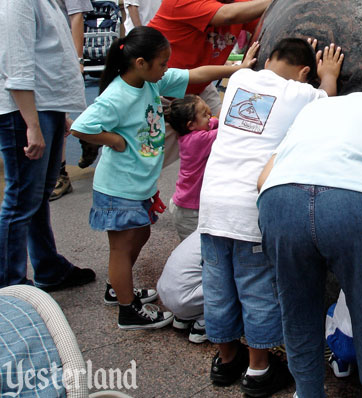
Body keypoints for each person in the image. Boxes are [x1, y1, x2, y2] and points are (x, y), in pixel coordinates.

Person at [257, 68, 362, 398]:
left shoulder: (315, 108)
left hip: (279, 199)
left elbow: (263, 179)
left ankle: (307, 392)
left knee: (297, 315)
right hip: (358, 203)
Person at [70, 26, 255, 330]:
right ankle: (127, 310)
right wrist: (113, 141)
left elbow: (196, 74)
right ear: (140, 63)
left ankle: (119, 288)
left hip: (139, 184)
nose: (167, 69)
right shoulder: (118, 94)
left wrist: (239, 68)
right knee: (121, 245)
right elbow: (80, 126)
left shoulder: (150, 82)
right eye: (163, 63)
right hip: (119, 186)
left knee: (140, 235)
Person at [199, 38, 344, 397]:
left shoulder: (238, 81)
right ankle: (259, 370)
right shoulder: (300, 94)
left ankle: (226, 360)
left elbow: (254, 72)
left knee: (218, 288)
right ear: (303, 72)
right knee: (257, 290)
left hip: (213, 202)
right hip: (250, 207)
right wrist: (327, 75)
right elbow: (327, 101)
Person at [0, 0, 96, 290]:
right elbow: (16, 62)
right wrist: (33, 125)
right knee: (21, 200)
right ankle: (9, 284)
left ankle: (47, 267)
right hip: (27, 111)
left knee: (35, 198)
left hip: (44, 107)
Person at [148, 0, 273, 119]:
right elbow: (227, 15)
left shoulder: (235, 3)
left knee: (224, 130)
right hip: (164, 92)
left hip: (201, 88)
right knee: (170, 143)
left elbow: (267, 24)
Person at [50, 0, 93, 202]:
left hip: (58, 53)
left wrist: (77, 58)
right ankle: (86, 135)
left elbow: (76, 14)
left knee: (55, 112)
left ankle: (60, 173)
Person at [165, 94, 218, 241]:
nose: (209, 116)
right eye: (204, 114)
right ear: (191, 125)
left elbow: (214, 121)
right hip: (188, 210)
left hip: (187, 204)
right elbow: (226, 129)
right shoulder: (196, 140)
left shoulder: (192, 133)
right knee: (194, 245)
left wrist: (211, 119)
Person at [156, 230, 207, 343]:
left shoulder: (202, 229)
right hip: (185, 299)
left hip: (166, 293)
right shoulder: (224, 235)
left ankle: (184, 318)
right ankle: (205, 323)